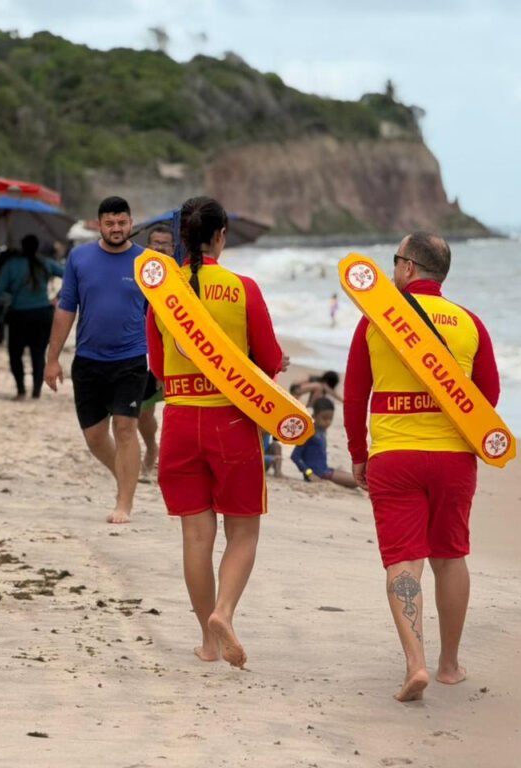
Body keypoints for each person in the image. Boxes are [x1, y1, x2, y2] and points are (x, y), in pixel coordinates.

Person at [344, 231, 501, 702]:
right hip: (453, 459)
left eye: (395, 261)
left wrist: (358, 452)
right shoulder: (469, 323)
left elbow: (356, 393)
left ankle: (415, 663)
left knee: (402, 560)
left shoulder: (377, 320)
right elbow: (487, 396)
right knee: (450, 556)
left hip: (395, 456)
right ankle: (449, 665)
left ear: (408, 267)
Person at [147, 196, 284, 669]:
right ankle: (223, 613)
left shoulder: (163, 294)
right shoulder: (243, 288)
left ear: (181, 237)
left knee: (195, 537)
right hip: (232, 420)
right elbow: (267, 361)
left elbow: (159, 367)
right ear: (221, 235)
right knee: (242, 531)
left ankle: (207, 642)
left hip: (181, 420)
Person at [44, 196, 148, 525]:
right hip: (88, 359)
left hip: (131, 359)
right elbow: (65, 309)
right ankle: (125, 476)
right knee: (94, 437)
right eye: (110, 223)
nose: (116, 228)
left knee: (125, 428)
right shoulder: (80, 258)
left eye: (122, 222)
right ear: (99, 224)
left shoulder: (148, 263)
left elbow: (165, 316)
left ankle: (124, 503)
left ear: (130, 223)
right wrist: (52, 359)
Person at [0, 235, 64, 400]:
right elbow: (70, 275)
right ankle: (36, 392)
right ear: (37, 247)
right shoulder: (45, 263)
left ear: (22, 247)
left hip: (19, 316)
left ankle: (21, 390)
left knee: (15, 354)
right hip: (42, 314)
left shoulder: (12, 265)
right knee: (38, 355)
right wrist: (58, 297)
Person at [137, 224, 175, 479]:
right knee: (143, 411)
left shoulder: (182, 276)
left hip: (177, 353)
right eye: (155, 243)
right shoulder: (140, 274)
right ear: (147, 246)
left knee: (178, 410)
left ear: (174, 248)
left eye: (165, 243)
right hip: (144, 352)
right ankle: (152, 446)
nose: (160, 247)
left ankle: (172, 460)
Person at [290, 397, 358, 489]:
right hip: (318, 473)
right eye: (324, 418)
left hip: (325, 469)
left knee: (357, 477)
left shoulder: (322, 431)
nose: (327, 422)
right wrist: (309, 473)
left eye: (330, 419)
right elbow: (295, 456)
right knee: (356, 481)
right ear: (314, 416)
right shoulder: (310, 432)